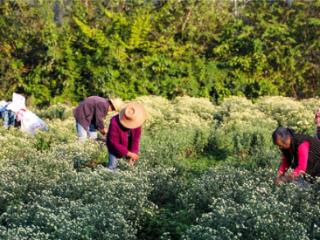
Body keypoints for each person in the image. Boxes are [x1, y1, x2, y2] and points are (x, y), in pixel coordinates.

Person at [106, 102, 146, 170]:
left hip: (128, 146)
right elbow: (114, 143)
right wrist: (129, 154)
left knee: (128, 168)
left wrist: (133, 154)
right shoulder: (114, 122)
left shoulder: (137, 121)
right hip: (114, 148)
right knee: (112, 166)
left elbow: (135, 140)